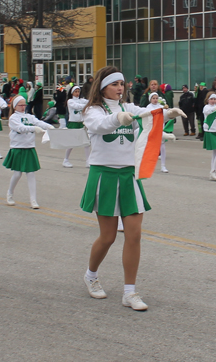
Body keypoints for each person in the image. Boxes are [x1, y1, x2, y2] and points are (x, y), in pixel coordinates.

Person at [80, 66, 185, 311]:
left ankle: (130, 292)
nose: (120, 88)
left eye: (122, 84)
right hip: (104, 175)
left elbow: (148, 114)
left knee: (134, 234)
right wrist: (119, 118)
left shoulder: (129, 107)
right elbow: (101, 126)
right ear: (103, 86)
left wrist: (167, 114)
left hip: (129, 175)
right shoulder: (92, 110)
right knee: (107, 237)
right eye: (115, 84)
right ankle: (91, 275)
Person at [3, 95, 54, 209]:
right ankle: (10, 193)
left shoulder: (30, 117)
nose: (23, 107)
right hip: (18, 147)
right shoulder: (13, 118)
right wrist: (33, 129)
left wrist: (51, 128)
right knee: (17, 174)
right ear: (15, 106)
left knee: (31, 174)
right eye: (20, 105)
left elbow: (39, 123)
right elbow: (20, 128)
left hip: (29, 147)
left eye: (24, 104)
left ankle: (33, 199)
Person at [63, 85, 91, 168]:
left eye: (78, 91)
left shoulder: (82, 100)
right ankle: (66, 160)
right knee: (71, 143)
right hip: (73, 123)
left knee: (86, 142)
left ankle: (88, 161)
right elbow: (77, 106)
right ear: (72, 93)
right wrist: (86, 105)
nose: (77, 93)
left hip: (81, 123)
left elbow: (89, 102)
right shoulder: (70, 101)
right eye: (76, 91)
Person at [146, 92, 171, 173]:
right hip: (152, 130)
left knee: (162, 147)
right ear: (150, 99)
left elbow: (167, 115)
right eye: (153, 98)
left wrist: (167, 109)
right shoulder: (148, 107)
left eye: (156, 98)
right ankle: (148, 165)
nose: (155, 100)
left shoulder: (161, 106)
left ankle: (163, 166)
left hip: (160, 130)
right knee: (150, 148)